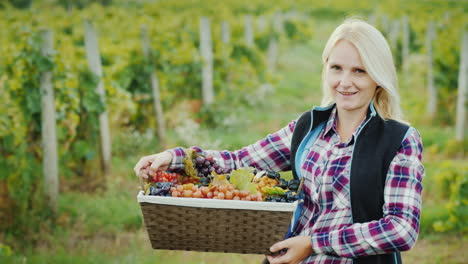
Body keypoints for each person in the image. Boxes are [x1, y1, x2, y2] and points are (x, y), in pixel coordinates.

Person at [134, 18, 425, 264]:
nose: (344, 82)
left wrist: (314, 243)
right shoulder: (308, 128)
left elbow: (401, 229)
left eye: (359, 71)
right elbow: (240, 162)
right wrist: (175, 157)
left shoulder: (399, 140)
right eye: (337, 68)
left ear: (378, 76)